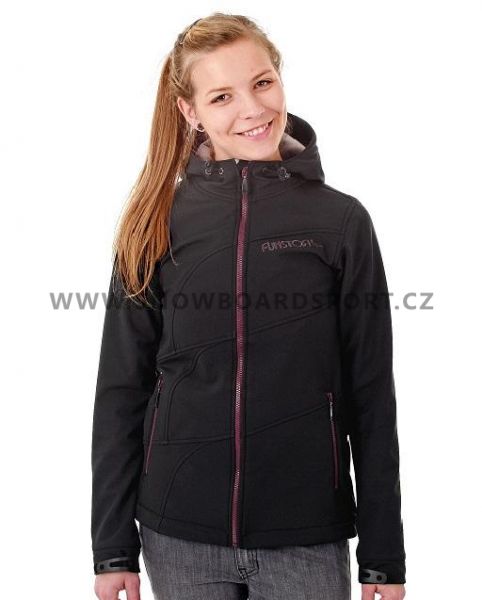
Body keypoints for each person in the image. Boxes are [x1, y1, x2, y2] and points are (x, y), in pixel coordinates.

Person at [91, 12, 407, 600]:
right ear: (190, 112)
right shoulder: (154, 222)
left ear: (280, 78)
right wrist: (112, 548)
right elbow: (121, 390)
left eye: (262, 83)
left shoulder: (341, 222)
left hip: (305, 535)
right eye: (221, 96)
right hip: (177, 534)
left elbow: (371, 395)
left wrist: (383, 558)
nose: (252, 109)